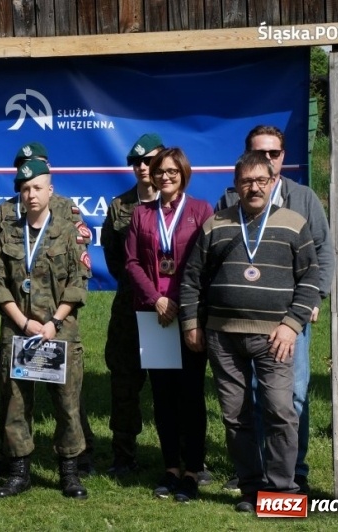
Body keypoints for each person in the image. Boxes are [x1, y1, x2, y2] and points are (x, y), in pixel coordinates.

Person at [180, 151, 320, 513]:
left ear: (273, 182)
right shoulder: (216, 224)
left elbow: (311, 279)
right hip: (223, 337)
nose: (254, 187)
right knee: (235, 416)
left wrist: (291, 325)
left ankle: (283, 492)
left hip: (275, 338)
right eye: (246, 181)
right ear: (236, 185)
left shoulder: (293, 223)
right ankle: (251, 488)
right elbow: (192, 278)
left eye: (261, 180)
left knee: (280, 411)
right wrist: (192, 323)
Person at [216, 125, 334, 494]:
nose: (268, 158)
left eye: (274, 153)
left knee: (291, 396)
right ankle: (255, 471)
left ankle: (294, 472)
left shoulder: (303, 197)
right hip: (240, 323)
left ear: (283, 157)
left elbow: (323, 253)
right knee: (250, 396)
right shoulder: (228, 200)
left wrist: (314, 300)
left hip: (289, 319)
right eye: (260, 152)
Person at [0, 158, 92, 499]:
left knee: (67, 403)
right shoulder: (9, 231)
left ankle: (69, 472)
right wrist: (23, 321)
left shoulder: (67, 231)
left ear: (50, 190)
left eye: (37, 188)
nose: (31, 194)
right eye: (25, 188)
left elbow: (78, 282)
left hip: (59, 331)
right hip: (18, 330)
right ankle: (19, 472)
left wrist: (54, 322)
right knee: (15, 402)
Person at [125, 147, 213, 502]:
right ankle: (171, 467)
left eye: (172, 171)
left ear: (183, 174)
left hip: (189, 313)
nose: (165, 176)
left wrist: (177, 300)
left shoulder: (201, 211)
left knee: (191, 392)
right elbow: (131, 263)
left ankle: (193, 470)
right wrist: (156, 299)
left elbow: (204, 262)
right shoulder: (141, 213)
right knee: (162, 395)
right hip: (154, 314)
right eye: (160, 171)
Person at [100, 132, 163, 476]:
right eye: (136, 162)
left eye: (149, 160)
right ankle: (123, 456)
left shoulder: (175, 204)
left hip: (165, 310)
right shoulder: (119, 206)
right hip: (129, 307)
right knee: (124, 381)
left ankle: (178, 456)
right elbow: (113, 258)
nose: (142, 167)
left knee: (168, 383)